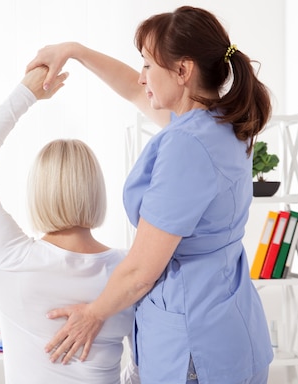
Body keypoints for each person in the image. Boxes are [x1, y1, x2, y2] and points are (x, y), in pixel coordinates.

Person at [26, 5, 274, 384]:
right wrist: (74, 49)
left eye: (147, 65)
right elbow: (132, 88)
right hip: (232, 331)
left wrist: (93, 314)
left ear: (182, 71)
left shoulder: (187, 145)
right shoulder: (225, 123)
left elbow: (142, 271)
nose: (142, 77)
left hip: (195, 350)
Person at [0, 66, 138, 384]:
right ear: (97, 190)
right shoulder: (131, 269)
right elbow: (143, 367)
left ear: (37, 192)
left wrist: (27, 93)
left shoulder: (11, 259)